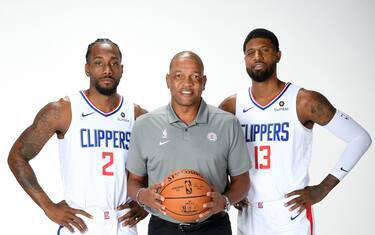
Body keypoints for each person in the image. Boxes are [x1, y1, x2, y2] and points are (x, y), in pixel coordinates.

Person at [219, 28, 372, 235]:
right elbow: (218, 152)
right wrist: (232, 188)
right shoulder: (232, 105)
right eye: (250, 52)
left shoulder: (304, 101)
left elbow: (360, 138)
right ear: (244, 58)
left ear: (278, 55)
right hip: (249, 214)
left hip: (290, 213)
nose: (257, 56)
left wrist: (323, 188)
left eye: (264, 49)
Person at [8, 39, 148, 235]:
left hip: (122, 223)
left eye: (114, 63)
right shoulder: (63, 110)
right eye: (99, 62)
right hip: (80, 224)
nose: (107, 69)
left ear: (122, 69)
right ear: (87, 68)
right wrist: (47, 206)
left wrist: (145, 202)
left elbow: (159, 163)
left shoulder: (138, 115)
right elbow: (17, 156)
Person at [126, 51, 251, 235]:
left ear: (204, 82)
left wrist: (224, 201)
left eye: (195, 76)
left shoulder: (227, 123)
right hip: (163, 227)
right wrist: (142, 196)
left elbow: (242, 181)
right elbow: (133, 181)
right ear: (167, 80)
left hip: (214, 227)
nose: (187, 83)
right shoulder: (144, 125)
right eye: (179, 76)